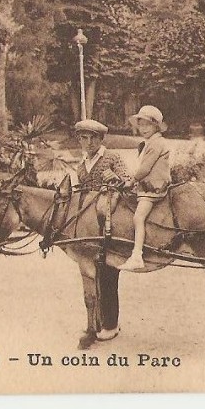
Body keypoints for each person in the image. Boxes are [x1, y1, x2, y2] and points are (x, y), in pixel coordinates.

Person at [73, 119, 131, 340]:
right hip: (90, 231)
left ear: (99, 139)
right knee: (92, 275)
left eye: (90, 138)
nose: (86, 142)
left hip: (111, 223)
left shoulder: (112, 157)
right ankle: (96, 322)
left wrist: (115, 179)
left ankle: (111, 324)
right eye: (82, 138)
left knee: (108, 275)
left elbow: (128, 181)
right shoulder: (82, 165)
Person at [119, 106, 172, 272]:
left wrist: (131, 181)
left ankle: (137, 256)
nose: (143, 129)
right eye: (140, 125)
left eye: (147, 125)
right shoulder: (151, 143)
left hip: (153, 188)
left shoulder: (156, 144)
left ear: (156, 126)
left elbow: (145, 169)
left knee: (138, 218)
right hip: (148, 186)